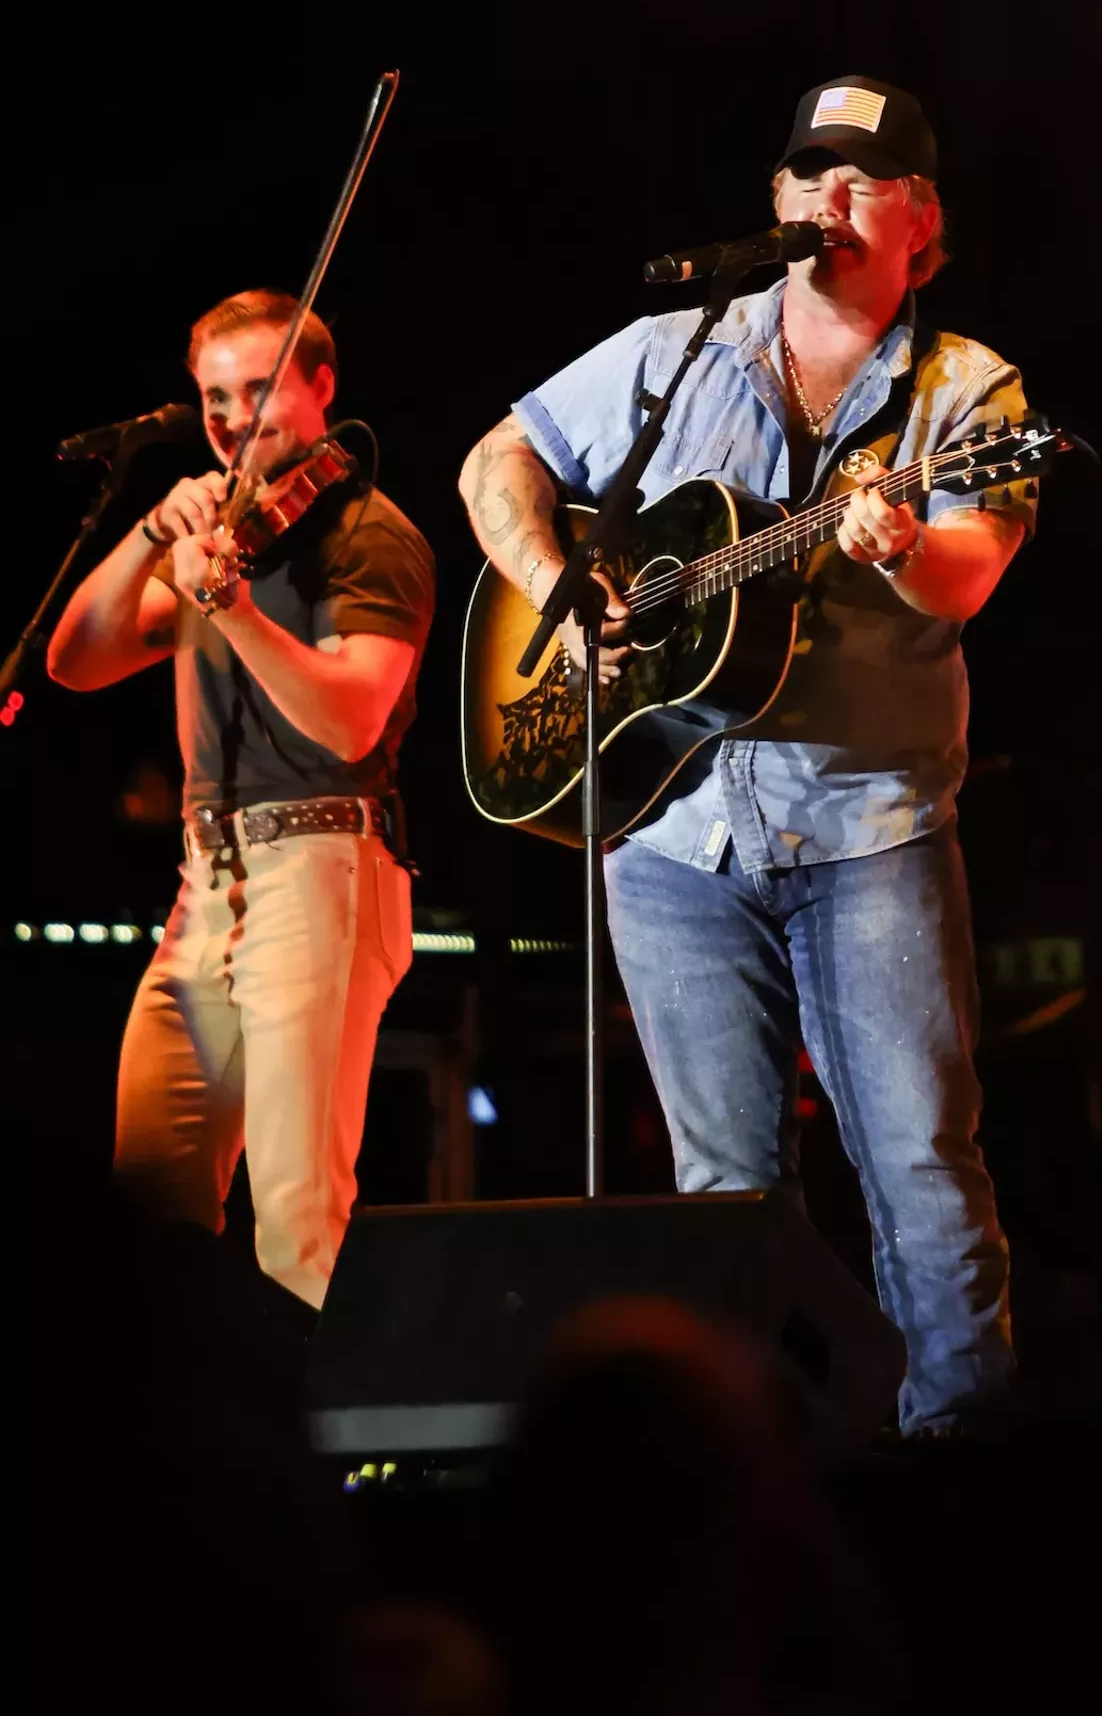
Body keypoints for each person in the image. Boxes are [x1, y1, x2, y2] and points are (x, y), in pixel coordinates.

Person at [459, 76, 1038, 1435]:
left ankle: (962, 1480)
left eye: (862, 179)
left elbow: (968, 571)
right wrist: (560, 586)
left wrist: (901, 545)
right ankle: (762, 1488)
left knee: (920, 1173)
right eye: (807, 174)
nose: (827, 199)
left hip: (867, 830)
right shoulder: (675, 345)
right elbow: (501, 462)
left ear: (922, 220)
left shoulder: (970, 390)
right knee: (719, 1195)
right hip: (672, 834)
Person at [48, 289, 435, 1312]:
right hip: (205, 882)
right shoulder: (220, 534)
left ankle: (333, 1456)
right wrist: (147, 536)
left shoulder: (367, 535)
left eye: (258, 391)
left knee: (299, 1216)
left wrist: (235, 611)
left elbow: (350, 720)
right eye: (215, 397)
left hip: (323, 864)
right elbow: (74, 660)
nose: (230, 418)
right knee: (151, 1197)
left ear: (321, 387)